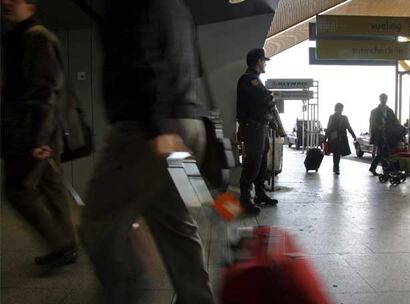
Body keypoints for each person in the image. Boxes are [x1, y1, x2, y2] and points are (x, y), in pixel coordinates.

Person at [79, 1, 214, 303]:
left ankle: (126, 294)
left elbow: (139, 57)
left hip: (148, 133)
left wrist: (155, 128)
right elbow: (191, 66)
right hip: (190, 127)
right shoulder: (179, 6)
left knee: (98, 222)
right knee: (176, 220)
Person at [1, 0, 78, 266]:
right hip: (36, 130)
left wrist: (40, 138)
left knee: (17, 189)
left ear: (31, 6)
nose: (6, 3)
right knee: (51, 188)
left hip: (33, 132)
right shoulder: (19, 39)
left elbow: (46, 91)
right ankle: (67, 246)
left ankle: (60, 243)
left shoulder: (35, 38)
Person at [237, 48, 278, 215]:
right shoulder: (249, 79)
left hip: (260, 126)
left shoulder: (255, 80)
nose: (265, 63)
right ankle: (244, 199)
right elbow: (266, 100)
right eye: (264, 61)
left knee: (261, 162)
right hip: (253, 126)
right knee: (252, 163)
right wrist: (269, 97)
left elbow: (266, 100)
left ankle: (260, 193)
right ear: (258, 61)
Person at [369, 93, 398, 175]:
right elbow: (372, 122)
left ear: (387, 99)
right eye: (382, 98)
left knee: (382, 152)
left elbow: (395, 121)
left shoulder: (390, 111)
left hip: (388, 134)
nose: (384, 100)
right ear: (380, 99)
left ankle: (374, 168)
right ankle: (386, 170)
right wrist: (379, 127)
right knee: (382, 152)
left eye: (385, 98)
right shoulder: (374, 111)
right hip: (379, 134)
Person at [324, 103, 356, 175]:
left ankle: (336, 168)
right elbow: (328, 128)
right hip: (334, 139)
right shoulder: (332, 117)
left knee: (337, 154)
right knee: (336, 153)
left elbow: (349, 127)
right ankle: (336, 168)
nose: (341, 110)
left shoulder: (344, 117)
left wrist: (354, 136)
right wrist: (325, 138)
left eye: (342, 108)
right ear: (336, 108)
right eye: (340, 108)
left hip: (341, 139)